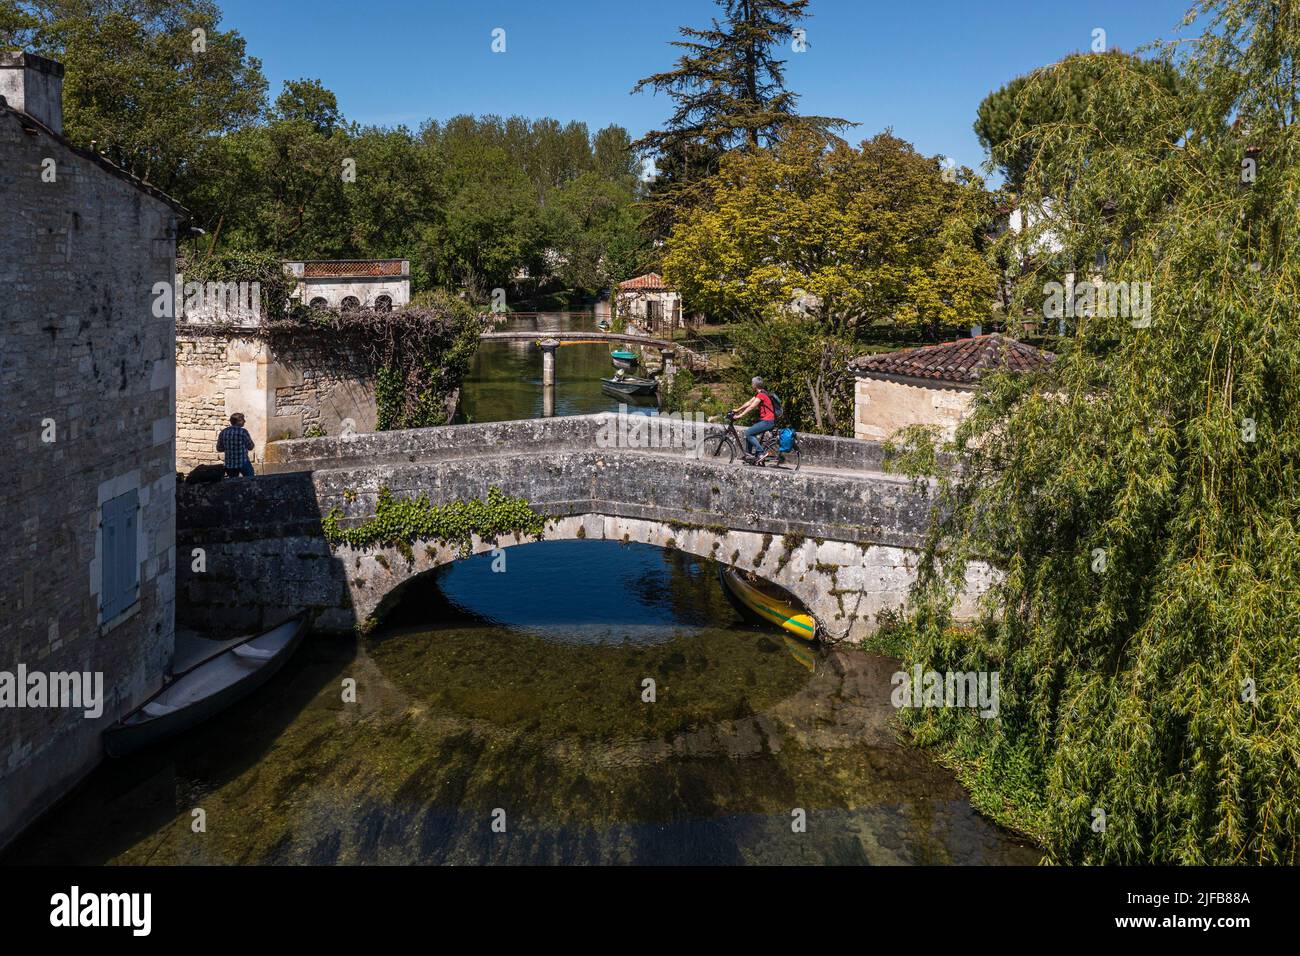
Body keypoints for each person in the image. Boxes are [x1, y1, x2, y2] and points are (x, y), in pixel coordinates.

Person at [731, 377, 777, 461]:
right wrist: (737, 409)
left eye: (752, 383)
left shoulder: (761, 395)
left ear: (755, 385)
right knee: (750, 432)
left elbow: (752, 406)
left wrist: (740, 415)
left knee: (748, 433)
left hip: (768, 421)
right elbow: (749, 403)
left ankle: (761, 453)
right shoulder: (760, 394)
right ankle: (749, 456)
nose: (751, 385)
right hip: (765, 420)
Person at [217, 413, 255, 478]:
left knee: (232, 484)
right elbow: (250, 447)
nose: (245, 421)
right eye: (243, 420)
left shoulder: (223, 432)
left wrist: (228, 448)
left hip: (229, 464)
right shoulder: (243, 432)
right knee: (251, 479)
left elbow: (219, 448)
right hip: (243, 462)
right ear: (238, 421)